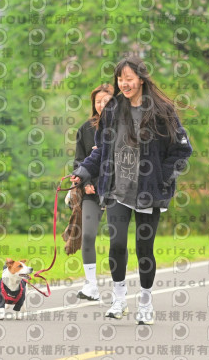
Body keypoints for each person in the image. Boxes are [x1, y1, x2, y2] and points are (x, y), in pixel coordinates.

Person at [70, 55, 192, 325]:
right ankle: (119, 299)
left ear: (141, 79)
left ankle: (146, 303)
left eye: (129, 78)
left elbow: (182, 151)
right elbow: (101, 150)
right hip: (117, 190)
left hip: (149, 193)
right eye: (120, 79)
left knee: (144, 249)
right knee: (116, 245)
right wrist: (83, 172)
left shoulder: (162, 110)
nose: (124, 84)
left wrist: (163, 178)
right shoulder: (112, 109)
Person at [74, 83, 114, 301]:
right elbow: (79, 161)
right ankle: (91, 285)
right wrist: (85, 182)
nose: (101, 105)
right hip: (92, 191)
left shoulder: (125, 127)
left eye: (106, 101)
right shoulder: (85, 129)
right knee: (88, 235)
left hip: (118, 191)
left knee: (118, 241)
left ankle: (119, 288)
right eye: (98, 102)